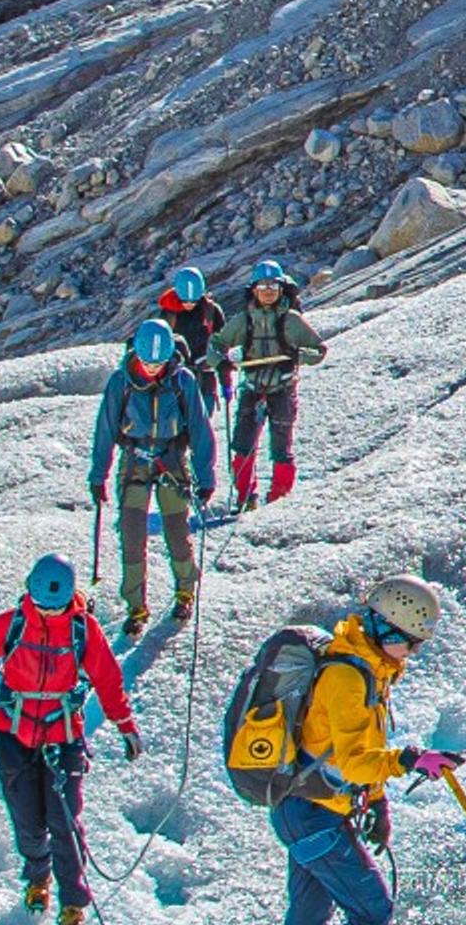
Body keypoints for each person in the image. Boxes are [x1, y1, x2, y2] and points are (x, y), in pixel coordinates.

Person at [256, 573, 458, 925]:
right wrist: (408, 760)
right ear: (387, 630)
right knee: (372, 912)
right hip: (313, 815)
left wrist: (379, 803)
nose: (413, 653)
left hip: (311, 810)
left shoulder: (368, 670)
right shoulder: (347, 677)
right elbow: (352, 761)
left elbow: (354, 751)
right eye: (410, 643)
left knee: (309, 915)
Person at [0, 554, 140, 925]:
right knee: (29, 822)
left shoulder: (83, 630)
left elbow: (108, 679)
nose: (47, 613)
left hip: (63, 738)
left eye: (55, 607)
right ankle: (37, 878)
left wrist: (126, 725)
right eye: (41, 605)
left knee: (65, 823)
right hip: (14, 736)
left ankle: (73, 906)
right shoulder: (10, 624)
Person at [90, 317, 216, 642]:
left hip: (171, 461)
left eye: (158, 364)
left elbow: (200, 429)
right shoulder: (120, 382)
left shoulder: (183, 381)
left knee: (177, 532)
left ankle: (185, 593)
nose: (151, 369)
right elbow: (106, 428)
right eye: (147, 363)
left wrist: (205, 476)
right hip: (134, 463)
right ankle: (136, 608)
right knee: (132, 535)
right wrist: (98, 475)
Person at [222, 258, 327, 509]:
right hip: (252, 389)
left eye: (272, 286)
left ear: (281, 289)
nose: (267, 292)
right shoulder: (243, 320)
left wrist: (300, 356)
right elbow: (218, 344)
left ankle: (279, 498)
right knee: (243, 444)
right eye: (262, 287)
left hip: (283, 389)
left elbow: (319, 350)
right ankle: (245, 497)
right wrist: (222, 360)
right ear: (254, 290)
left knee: (281, 447)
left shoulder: (292, 320)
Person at [153, 263, 227, 418]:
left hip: (205, 379)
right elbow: (161, 345)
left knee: (203, 422)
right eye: (184, 301)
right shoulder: (169, 314)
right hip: (176, 379)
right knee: (178, 425)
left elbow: (223, 345)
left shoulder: (211, 311)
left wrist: (226, 381)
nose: (189, 305)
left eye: (193, 301)